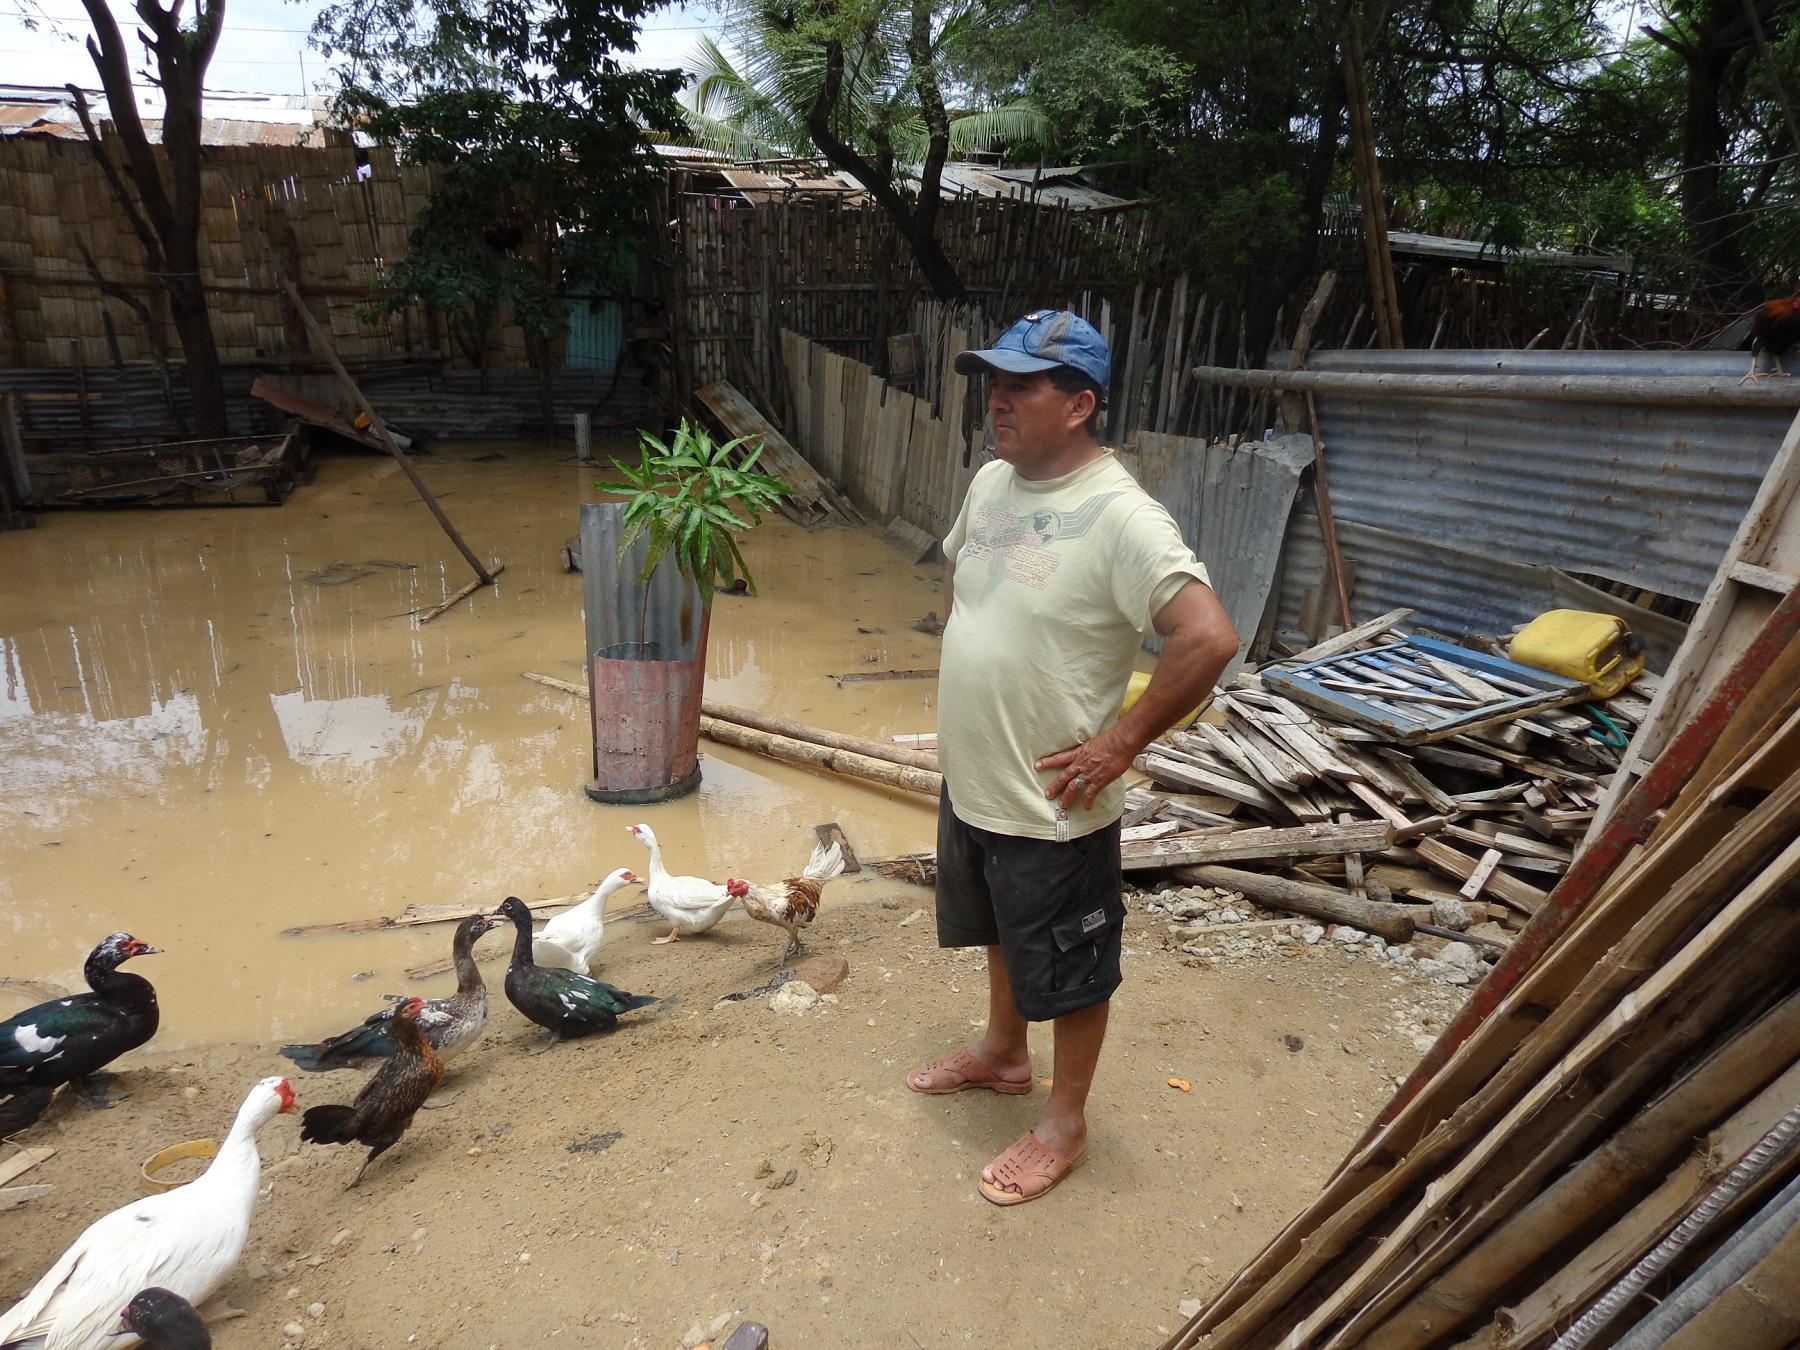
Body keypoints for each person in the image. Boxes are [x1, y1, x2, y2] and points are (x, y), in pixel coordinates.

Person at [906, 309, 1240, 1207]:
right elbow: (961, 582)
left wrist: (1122, 741)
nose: (997, 400)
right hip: (978, 776)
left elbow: (1207, 638)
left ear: (1081, 404)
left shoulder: (1123, 518)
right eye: (993, 382)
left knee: (1073, 966)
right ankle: (1002, 1055)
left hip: (1057, 800)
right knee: (1001, 929)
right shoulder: (991, 484)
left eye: (1022, 386)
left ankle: (1066, 1122)